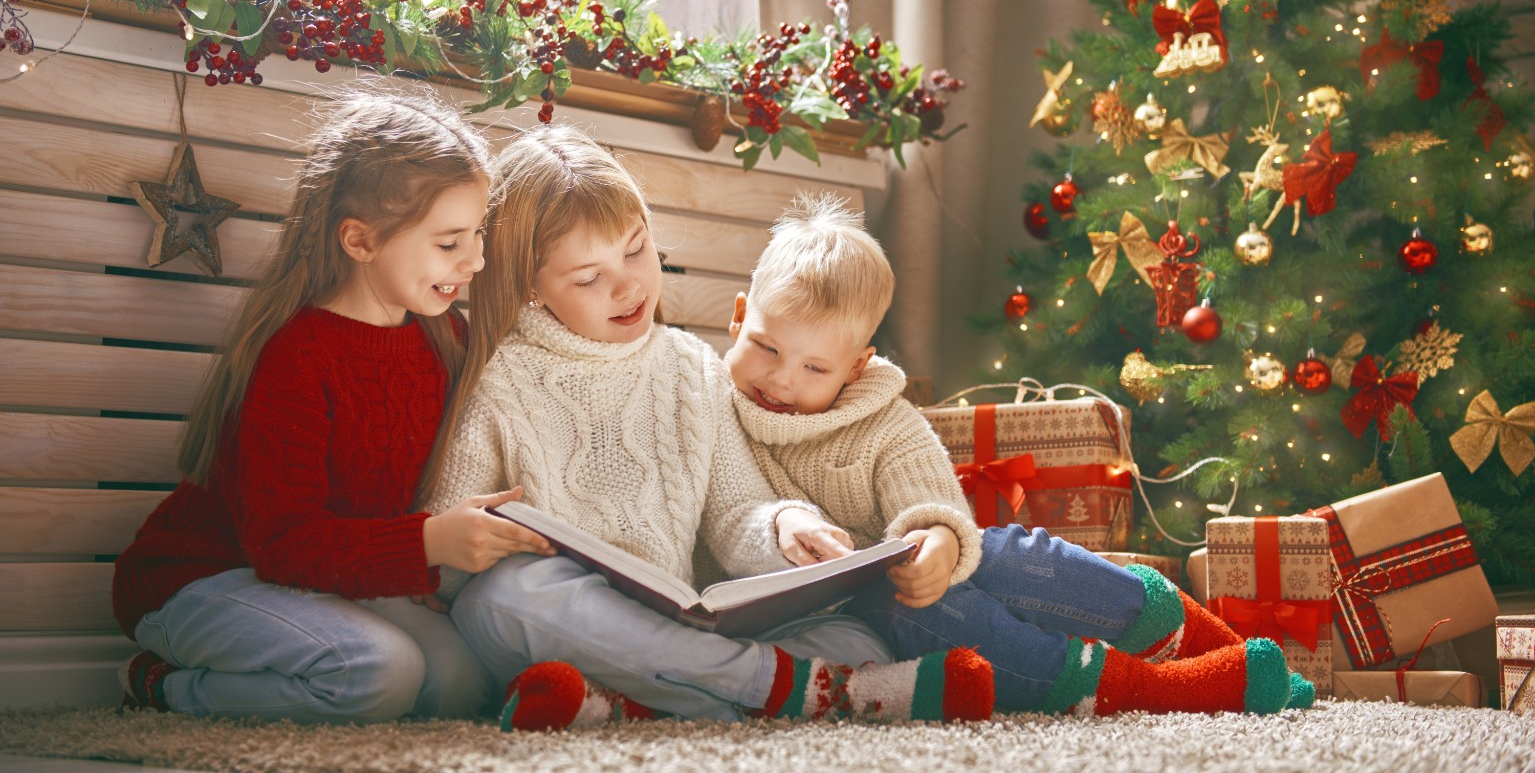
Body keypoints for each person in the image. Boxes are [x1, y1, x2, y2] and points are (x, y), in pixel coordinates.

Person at [419, 124, 994, 731]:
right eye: (588, 277)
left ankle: (633, 701)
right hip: (577, 621)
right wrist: (469, 550)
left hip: (679, 617)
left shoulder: (690, 365)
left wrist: (785, 526)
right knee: (502, 600)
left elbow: (734, 508)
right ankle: (781, 688)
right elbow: (453, 547)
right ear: (530, 288)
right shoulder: (501, 379)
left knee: (857, 635)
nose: (628, 285)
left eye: (637, 250)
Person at [723, 193, 1310, 717]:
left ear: (854, 368)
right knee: (915, 611)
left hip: (913, 578)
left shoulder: (882, 420)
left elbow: (931, 500)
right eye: (766, 347)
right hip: (852, 621)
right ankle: (1149, 689)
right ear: (738, 316)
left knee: (1000, 550)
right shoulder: (709, 407)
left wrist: (940, 542)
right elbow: (725, 514)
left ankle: (1199, 641)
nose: (781, 380)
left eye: (814, 368)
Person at [111, 91, 534, 723]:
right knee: (380, 674)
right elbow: (281, 543)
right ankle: (164, 687)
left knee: (460, 686)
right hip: (208, 577)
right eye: (449, 243)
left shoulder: (443, 338)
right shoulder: (298, 358)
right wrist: (425, 544)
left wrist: (418, 558)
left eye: (477, 234)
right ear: (360, 241)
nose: (475, 260)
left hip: (323, 576)